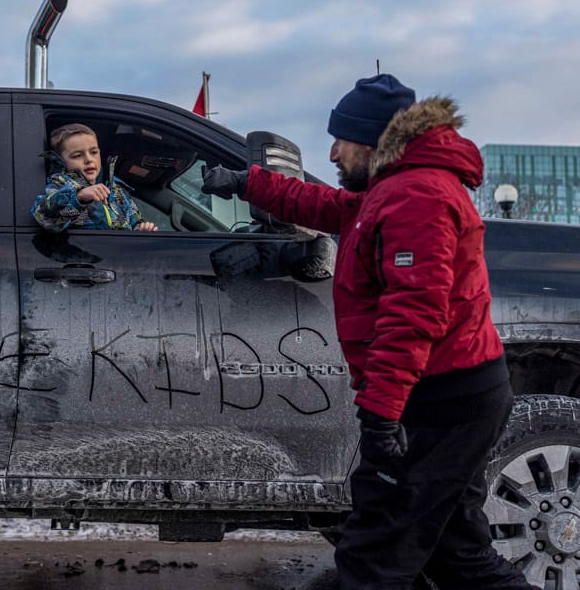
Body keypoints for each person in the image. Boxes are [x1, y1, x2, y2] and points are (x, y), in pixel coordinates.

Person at [201, 74, 534, 589]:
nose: (332, 152)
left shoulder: (418, 195)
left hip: (439, 403)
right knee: (457, 555)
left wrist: (381, 416)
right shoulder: (394, 189)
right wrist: (247, 183)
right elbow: (334, 209)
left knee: (373, 555)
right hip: (451, 395)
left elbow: (413, 314)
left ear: (377, 141)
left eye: (342, 140)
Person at [31, 123, 158, 232]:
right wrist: (79, 196)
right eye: (77, 155)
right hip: (83, 257)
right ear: (61, 160)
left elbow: (134, 221)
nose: (89, 160)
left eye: (93, 152)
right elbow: (43, 216)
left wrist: (141, 230)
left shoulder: (117, 189)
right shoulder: (60, 185)